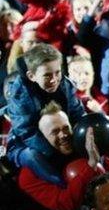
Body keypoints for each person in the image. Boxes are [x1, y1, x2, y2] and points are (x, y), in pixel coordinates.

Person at [7, 43, 85, 185]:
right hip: (25, 144)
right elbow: (26, 131)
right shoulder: (19, 94)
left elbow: (77, 113)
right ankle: (64, 190)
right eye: (47, 75)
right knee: (33, 157)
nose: (54, 79)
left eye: (57, 72)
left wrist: (81, 137)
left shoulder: (65, 85)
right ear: (31, 76)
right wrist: (55, 154)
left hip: (60, 137)